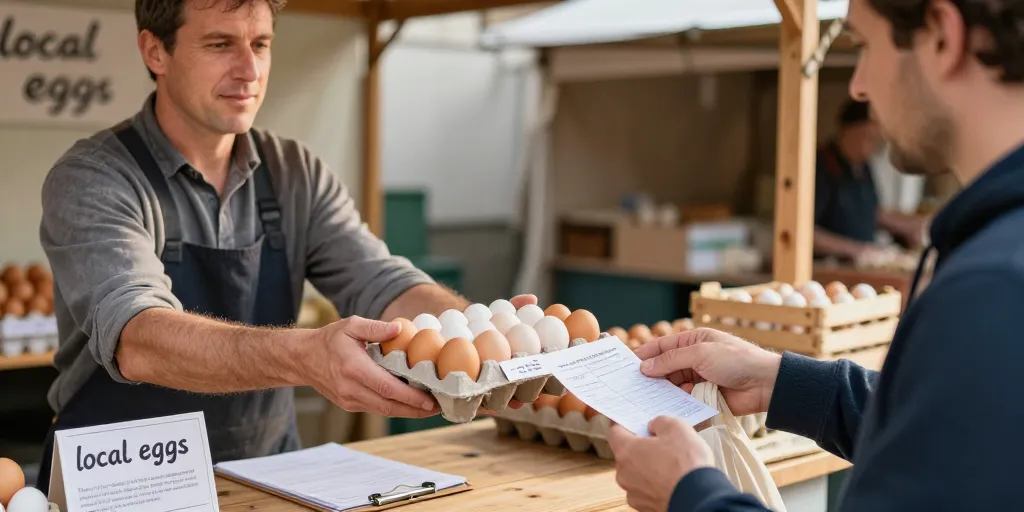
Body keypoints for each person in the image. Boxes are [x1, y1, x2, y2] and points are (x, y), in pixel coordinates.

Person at [33, 0, 534, 492]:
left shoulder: (296, 173)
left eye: (261, 43)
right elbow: (138, 337)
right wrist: (305, 355)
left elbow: (381, 283)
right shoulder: (94, 177)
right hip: (124, 482)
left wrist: (473, 329)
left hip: (265, 477)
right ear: (155, 52)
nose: (249, 69)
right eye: (220, 44)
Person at [607, 0, 1024, 510]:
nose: (858, 85)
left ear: (941, 35)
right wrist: (780, 381)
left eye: (864, 46)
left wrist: (690, 494)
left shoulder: (995, 288)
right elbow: (955, 437)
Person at [813, 99, 926, 264]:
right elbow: (805, 232)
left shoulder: (863, 167)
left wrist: (911, 225)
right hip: (827, 265)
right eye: (866, 137)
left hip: (861, 263)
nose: (870, 147)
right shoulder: (821, 165)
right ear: (846, 131)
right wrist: (856, 249)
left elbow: (871, 212)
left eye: (875, 140)